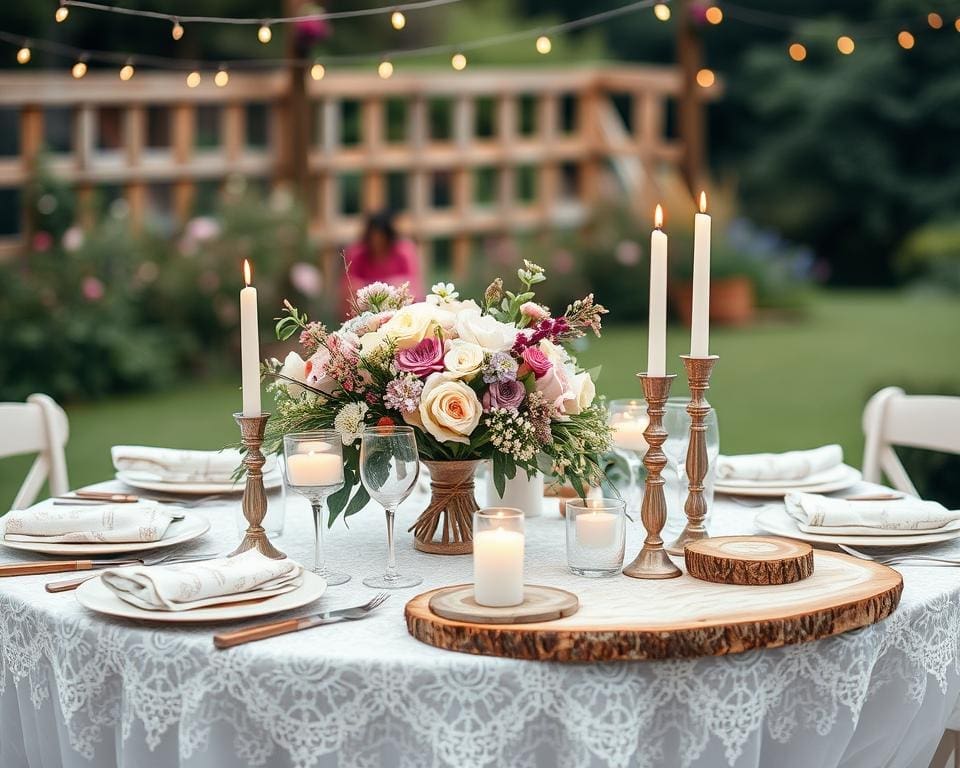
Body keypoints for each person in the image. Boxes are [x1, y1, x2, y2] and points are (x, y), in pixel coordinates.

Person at [342, 211, 423, 315]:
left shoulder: (404, 251)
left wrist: (371, 287)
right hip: (367, 312)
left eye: (381, 238)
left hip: (398, 310)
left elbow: (412, 285)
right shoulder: (357, 253)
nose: (377, 242)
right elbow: (349, 287)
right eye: (373, 238)